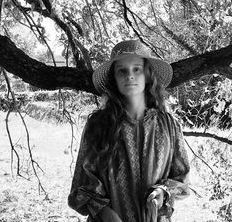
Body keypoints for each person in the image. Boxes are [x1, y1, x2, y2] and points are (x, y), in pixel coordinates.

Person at [68, 39, 190, 222]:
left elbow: (182, 179)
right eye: (122, 70)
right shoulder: (99, 124)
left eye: (137, 69)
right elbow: (82, 184)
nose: (129, 75)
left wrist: (162, 192)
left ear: (148, 74)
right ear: (113, 79)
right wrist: (103, 212)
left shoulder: (169, 125)